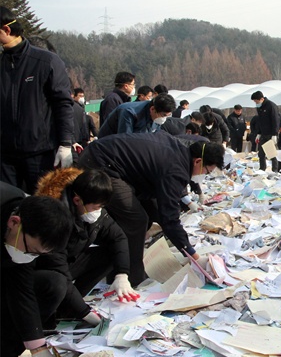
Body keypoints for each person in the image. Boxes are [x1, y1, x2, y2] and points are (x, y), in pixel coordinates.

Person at [78, 131, 225, 285]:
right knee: (136, 220)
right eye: (206, 172)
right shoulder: (176, 168)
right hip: (102, 164)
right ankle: (130, 278)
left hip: (114, 162)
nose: (204, 176)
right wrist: (193, 255)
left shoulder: (182, 152)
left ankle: (119, 261)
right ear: (198, 161)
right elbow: (169, 219)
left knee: (150, 212)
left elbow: (162, 208)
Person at [34, 168, 138, 321]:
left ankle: (71, 305)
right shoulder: (55, 221)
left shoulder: (92, 209)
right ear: (77, 200)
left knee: (110, 254)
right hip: (45, 273)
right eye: (96, 207)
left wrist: (122, 274)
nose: (99, 212)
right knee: (58, 283)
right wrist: (85, 313)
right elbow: (59, 270)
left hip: (69, 262)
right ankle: (52, 316)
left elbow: (118, 237)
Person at [0, 8, 74, 194]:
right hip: (5, 156)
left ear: (7, 30)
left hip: (40, 153)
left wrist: (65, 143)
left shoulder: (45, 61)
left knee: (45, 207)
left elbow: (63, 104)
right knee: (9, 209)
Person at [1, 182, 72, 357]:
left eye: (37, 254)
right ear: (14, 222)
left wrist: (37, 348)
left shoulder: (27, 226)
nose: (30, 257)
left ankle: (6, 355)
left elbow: (22, 292)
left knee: (52, 283)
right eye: (32, 251)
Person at [98, 93, 176, 138]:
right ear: (152, 109)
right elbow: (125, 139)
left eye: (167, 115)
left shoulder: (155, 116)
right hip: (109, 146)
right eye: (163, 115)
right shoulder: (129, 112)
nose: (164, 118)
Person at [251, 91, 281, 172]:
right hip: (263, 133)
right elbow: (260, 121)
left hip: (271, 133)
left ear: (261, 99)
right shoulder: (259, 107)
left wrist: (275, 133)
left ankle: (275, 170)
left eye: (256, 101)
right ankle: (262, 169)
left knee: (271, 153)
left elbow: (276, 120)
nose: (256, 103)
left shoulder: (271, 106)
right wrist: (259, 133)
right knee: (261, 153)